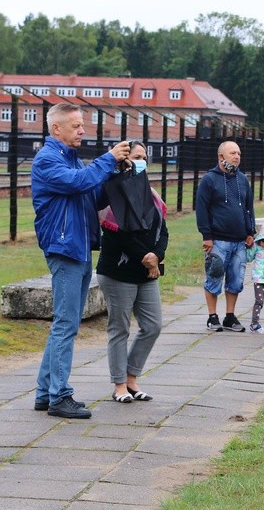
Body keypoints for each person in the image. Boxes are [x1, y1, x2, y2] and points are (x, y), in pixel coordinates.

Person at [31, 103, 131, 419]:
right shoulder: (48, 160)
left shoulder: (70, 160)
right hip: (65, 248)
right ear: (56, 129)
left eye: (82, 125)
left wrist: (115, 174)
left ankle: (45, 393)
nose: (82, 131)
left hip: (78, 247)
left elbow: (91, 194)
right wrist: (108, 159)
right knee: (65, 323)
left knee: (67, 322)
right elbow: (77, 183)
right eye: (76, 126)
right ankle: (59, 395)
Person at [96, 141, 168, 403]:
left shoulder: (151, 194)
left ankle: (132, 378)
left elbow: (163, 229)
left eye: (144, 157)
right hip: (119, 273)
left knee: (153, 325)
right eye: (136, 157)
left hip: (147, 273)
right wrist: (144, 258)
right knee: (120, 328)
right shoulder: (112, 192)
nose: (141, 161)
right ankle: (119, 385)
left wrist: (157, 256)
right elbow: (117, 235)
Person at [195, 140, 256, 332]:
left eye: (238, 153)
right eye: (232, 153)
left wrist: (250, 231)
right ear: (221, 157)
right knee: (214, 277)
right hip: (218, 240)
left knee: (236, 280)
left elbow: (249, 207)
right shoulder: (209, 180)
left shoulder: (242, 180)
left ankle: (230, 316)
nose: (237, 157)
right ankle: (212, 317)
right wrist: (206, 236)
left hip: (239, 240)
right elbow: (202, 209)